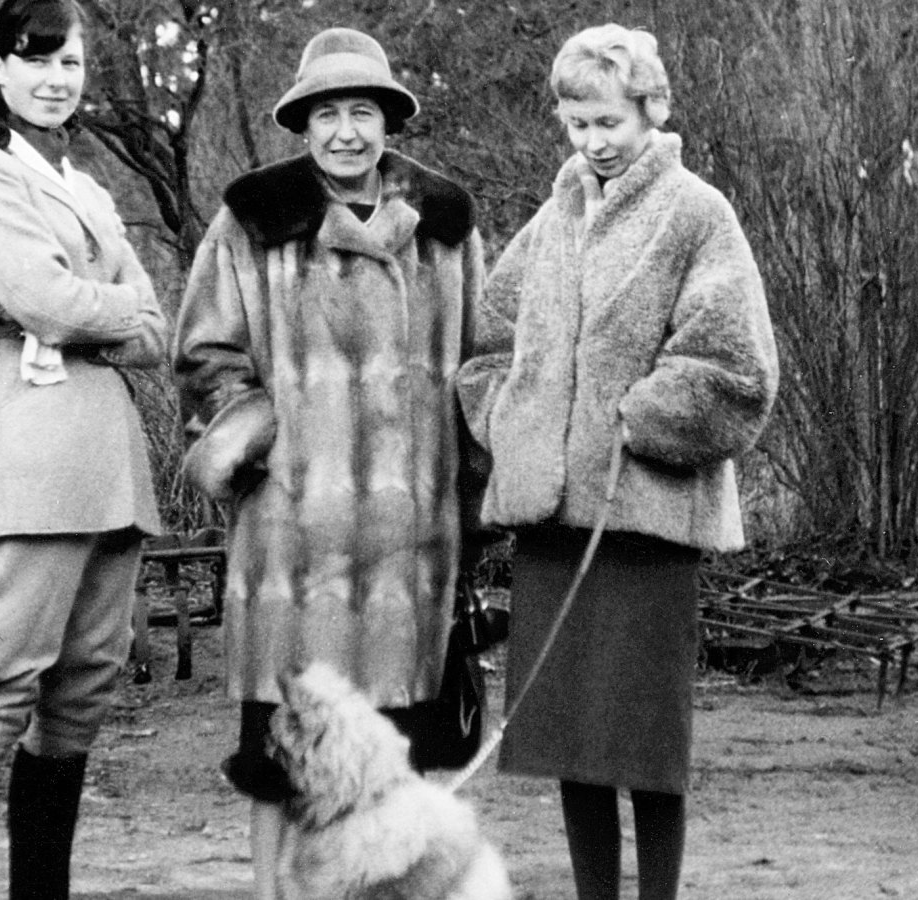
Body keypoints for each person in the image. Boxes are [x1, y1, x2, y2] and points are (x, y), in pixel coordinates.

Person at [457, 23, 778, 900]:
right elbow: (487, 347)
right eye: (575, 125)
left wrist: (639, 417)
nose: (593, 143)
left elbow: (738, 367)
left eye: (608, 123)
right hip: (554, 530)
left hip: (646, 529)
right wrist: (513, 422)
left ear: (654, 110)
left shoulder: (698, 213)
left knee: (645, 747)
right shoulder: (554, 216)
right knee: (570, 740)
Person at [172, 27, 485, 900]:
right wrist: (255, 430)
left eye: (363, 111)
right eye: (327, 114)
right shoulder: (252, 221)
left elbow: (484, 358)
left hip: (414, 540)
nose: (346, 131)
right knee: (279, 746)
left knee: (409, 745)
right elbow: (202, 352)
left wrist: (479, 489)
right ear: (302, 124)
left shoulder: (447, 226)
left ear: (388, 120)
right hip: (289, 540)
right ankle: (275, 894)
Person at [0, 1, 168, 897]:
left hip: (105, 458)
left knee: (77, 703)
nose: (58, 76)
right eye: (37, 58)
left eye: (71, 60)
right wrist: (96, 309)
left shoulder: (91, 190)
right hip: (20, 454)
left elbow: (154, 328)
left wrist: (87, 311)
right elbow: (44, 301)